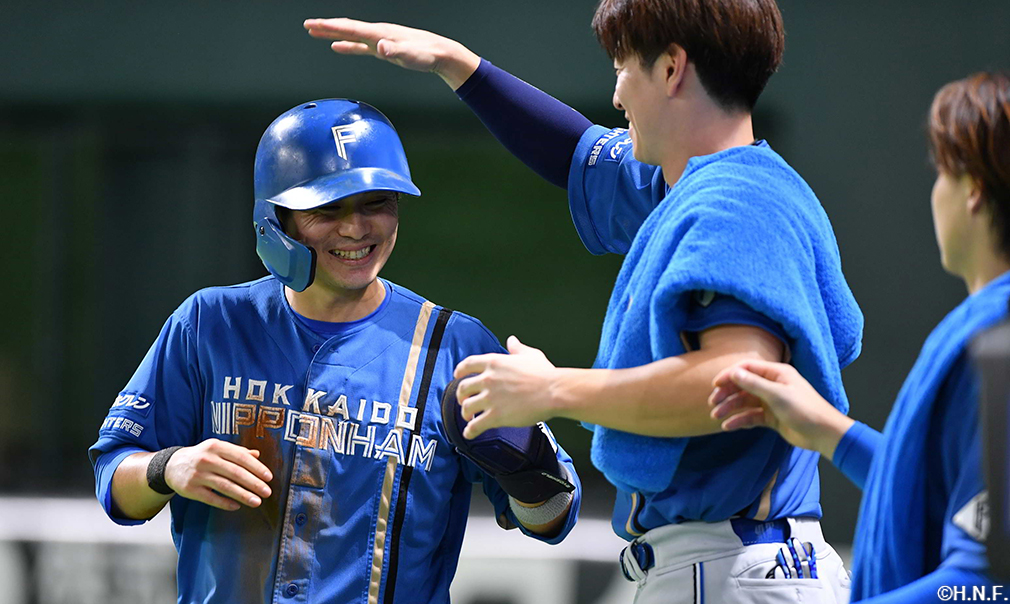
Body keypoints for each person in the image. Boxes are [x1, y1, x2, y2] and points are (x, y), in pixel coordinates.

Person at [305, 1, 862, 601]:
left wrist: (552, 390)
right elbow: (577, 153)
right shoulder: (702, 185)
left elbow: (737, 382)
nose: (618, 97)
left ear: (672, 69)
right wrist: (458, 65)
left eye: (623, 68)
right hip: (734, 561)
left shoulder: (736, 203)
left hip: (734, 565)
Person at [88, 99, 581, 604]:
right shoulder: (210, 322)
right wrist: (168, 467)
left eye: (376, 203)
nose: (355, 229)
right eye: (327, 208)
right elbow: (114, 480)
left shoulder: (454, 347)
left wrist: (525, 457)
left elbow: (551, 519)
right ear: (275, 217)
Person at [709, 72, 1010, 602]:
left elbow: (986, 583)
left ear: (973, 192)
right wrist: (830, 432)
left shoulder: (1000, 343)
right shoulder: (989, 330)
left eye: (940, 172)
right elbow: (934, 497)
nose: (934, 190)